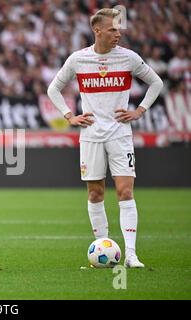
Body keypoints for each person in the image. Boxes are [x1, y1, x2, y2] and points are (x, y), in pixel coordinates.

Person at [47, 8, 163, 268]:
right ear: (97, 31)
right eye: (112, 29)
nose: (117, 34)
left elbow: (156, 83)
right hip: (91, 135)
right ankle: (103, 248)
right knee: (95, 194)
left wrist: (139, 111)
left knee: (125, 191)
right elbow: (53, 88)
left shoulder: (129, 58)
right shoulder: (78, 59)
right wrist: (69, 115)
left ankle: (131, 255)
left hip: (120, 134)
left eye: (119, 29)